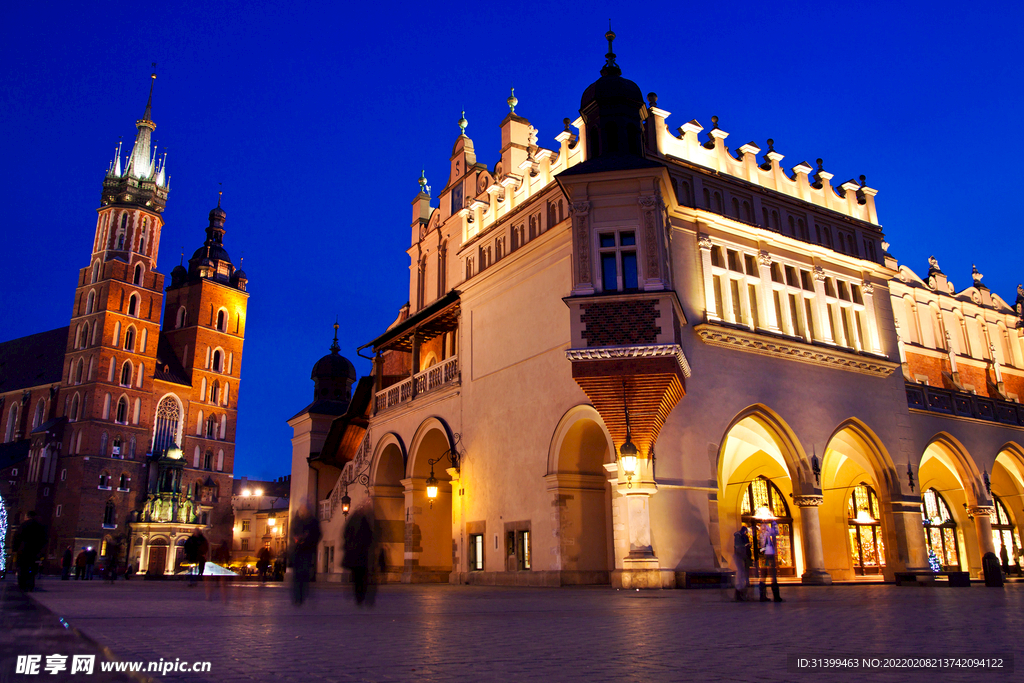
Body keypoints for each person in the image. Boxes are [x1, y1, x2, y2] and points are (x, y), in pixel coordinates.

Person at [341, 502, 375, 606]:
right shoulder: (361, 520)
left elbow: (346, 534)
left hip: (359, 554)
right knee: (360, 577)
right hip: (359, 554)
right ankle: (360, 597)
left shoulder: (361, 520)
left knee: (360, 577)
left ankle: (360, 597)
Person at [289, 503, 321, 606]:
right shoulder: (297, 520)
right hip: (298, 550)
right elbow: (291, 533)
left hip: (307, 550)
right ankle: (298, 595)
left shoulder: (312, 521)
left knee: (304, 573)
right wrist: (296, 539)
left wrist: (308, 540)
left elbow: (317, 535)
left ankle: (302, 594)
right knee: (298, 574)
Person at [13, 512, 48, 591]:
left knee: (22, 569)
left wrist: (15, 549)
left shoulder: (23, 525)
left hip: (23, 550)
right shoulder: (40, 526)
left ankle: (22, 585)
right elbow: (44, 540)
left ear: (27, 517)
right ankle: (30, 585)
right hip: (34, 551)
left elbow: (17, 537)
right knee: (32, 570)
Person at [758, 520, 783, 603]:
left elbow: (776, 532)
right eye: (764, 526)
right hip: (766, 556)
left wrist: (774, 524)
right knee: (766, 575)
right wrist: (772, 525)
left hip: (769, 555)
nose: (765, 527)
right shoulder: (762, 534)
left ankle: (775, 596)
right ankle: (765, 596)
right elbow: (774, 532)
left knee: (771, 576)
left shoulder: (766, 534)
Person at [732, 524, 752, 602]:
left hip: (743, 556)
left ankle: (740, 592)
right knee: (741, 573)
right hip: (740, 556)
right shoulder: (739, 537)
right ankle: (739, 591)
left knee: (742, 572)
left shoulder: (742, 536)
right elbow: (738, 546)